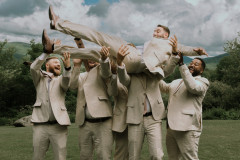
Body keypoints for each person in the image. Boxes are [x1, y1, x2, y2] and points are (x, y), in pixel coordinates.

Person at [47, 5, 208, 77]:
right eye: (154, 30)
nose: (154, 33)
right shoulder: (150, 43)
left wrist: (197, 51)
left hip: (136, 59)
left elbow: (184, 49)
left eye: (158, 31)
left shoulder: (168, 43)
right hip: (130, 64)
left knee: (99, 36)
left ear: (166, 34)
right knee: (92, 53)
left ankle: (58, 23)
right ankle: (53, 49)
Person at [116, 41, 180, 159]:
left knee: (157, 155)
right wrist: (119, 62)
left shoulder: (155, 71)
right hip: (135, 118)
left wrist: (175, 53)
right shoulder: (129, 74)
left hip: (154, 118)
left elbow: (167, 71)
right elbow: (123, 79)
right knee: (133, 155)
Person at [159, 47, 210, 159]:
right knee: (173, 158)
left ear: (201, 70)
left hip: (188, 128)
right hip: (171, 127)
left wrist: (181, 64)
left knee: (189, 158)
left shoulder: (203, 82)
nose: (192, 64)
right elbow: (163, 88)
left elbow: (192, 87)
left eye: (196, 64)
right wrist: (155, 73)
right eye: (191, 62)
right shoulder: (177, 81)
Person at [30, 29, 71, 160]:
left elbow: (66, 81)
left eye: (60, 64)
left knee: (60, 157)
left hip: (59, 126)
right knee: (37, 157)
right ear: (47, 65)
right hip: (40, 125)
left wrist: (68, 68)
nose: (58, 64)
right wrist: (47, 52)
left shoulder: (62, 80)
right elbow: (33, 67)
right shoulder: (39, 79)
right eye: (55, 62)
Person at [69, 46, 113, 160]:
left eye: (93, 57)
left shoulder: (102, 71)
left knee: (104, 156)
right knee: (84, 156)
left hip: (102, 122)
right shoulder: (82, 75)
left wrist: (104, 59)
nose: (91, 59)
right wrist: (77, 65)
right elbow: (72, 85)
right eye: (88, 57)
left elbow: (106, 72)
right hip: (84, 123)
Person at [104, 57, 129, 159]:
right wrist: (114, 74)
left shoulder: (138, 74)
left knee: (134, 153)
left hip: (139, 118)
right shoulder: (113, 76)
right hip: (121, 120)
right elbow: (112, 92)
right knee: (120, 153)